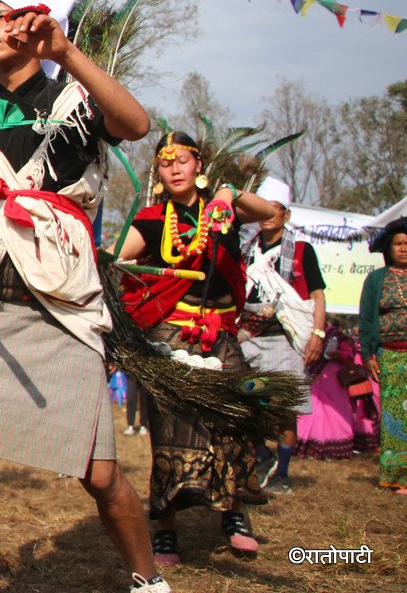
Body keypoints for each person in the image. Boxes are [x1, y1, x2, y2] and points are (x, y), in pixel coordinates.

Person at [0, 0, 170, 593]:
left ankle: (149, 582)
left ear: (36, 23)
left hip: (61, 309)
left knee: (101, 474)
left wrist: (68, 51)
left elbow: (135, 124)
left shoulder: (76, 98)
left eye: (1, 17)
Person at [117, 133, 277, 564]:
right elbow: (116, 258)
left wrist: (228, 193)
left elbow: (273, 213)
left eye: (182, 160)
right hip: (171, 333)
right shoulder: (152, 219)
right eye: (165, 162)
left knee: (237, 416)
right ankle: (166, 526)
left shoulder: (221, 211)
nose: (174, 168)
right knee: (169, 424)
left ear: (198, 165)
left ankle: (235, 513)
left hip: (221, 332)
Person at [238, 177, 326, 494]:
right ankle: (261, 455)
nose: (267, 216)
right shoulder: (247, 250)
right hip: (250, 337)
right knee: (244, 401)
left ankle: (282, 474)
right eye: (262, 210)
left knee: (286, 408)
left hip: (287, 339)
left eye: (274, 210)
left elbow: (317, 295)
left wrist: (317, 333)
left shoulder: (302, 251)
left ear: (285, 214)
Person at [359, 216, 407, 493]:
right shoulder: (377, 279)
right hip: (389, 355)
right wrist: (368, 356)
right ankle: (396, 475)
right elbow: (366, 320)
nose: (403, 248)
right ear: (388, 248)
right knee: (394, 416)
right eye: (398, 243)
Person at [295, 321, 379, 458]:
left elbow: (348, 356)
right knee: (313, 412)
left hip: (335, 381)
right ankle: (311, 447)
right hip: (316, 379)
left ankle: (333, 449)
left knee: (335, 414)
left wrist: (335, 354)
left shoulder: (337, 335)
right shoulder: (307, 332)